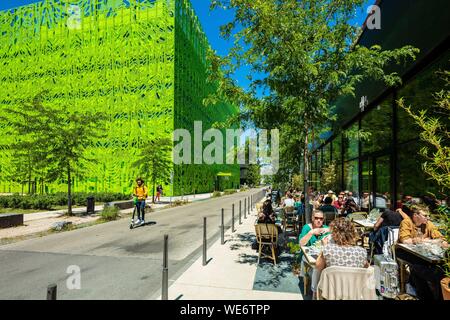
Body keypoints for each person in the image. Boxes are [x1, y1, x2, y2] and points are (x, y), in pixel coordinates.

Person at [396, 206, 448, 300]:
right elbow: (405, 240)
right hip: (404, 252)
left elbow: (440, 238)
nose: (428, 218)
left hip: (423, 254)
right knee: (420, 267)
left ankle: (427, 293)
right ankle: (427, 293)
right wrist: (427, 240)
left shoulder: (428, 224)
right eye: (425, 215)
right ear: (415, 215)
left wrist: (424, 241)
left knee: (435, 269)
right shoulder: (407, 222)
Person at [314, 218, 369, 299]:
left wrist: (324, 247)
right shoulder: (362, 252)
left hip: (331, 292)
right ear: (352, 233)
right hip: (353, 292)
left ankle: (314, 293)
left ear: (334, 234)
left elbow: (318, 266)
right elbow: (365, 268)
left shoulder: (328, 249)